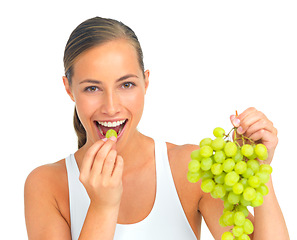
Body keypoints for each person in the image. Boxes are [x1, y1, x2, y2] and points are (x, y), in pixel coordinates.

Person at [24, 16, 289, 240]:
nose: (111, 107)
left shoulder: (188, 167)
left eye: (126, 84)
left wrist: (259, 169)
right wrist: (103, 207)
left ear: (145, 82)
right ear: (69, 89)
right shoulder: (46, 185)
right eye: (92, 88)